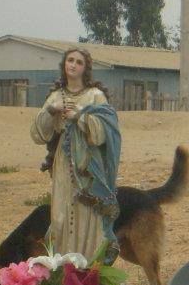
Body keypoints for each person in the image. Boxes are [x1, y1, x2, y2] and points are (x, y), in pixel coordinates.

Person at [30, 47, 121, 262]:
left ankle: (89, 267)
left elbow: (106, 131)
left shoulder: (95, 96)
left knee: (89, 215)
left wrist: (79, 116)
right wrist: (52, 110)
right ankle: (64, 268)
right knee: (61, 215)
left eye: (79, 62)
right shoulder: (55, 97)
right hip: (64, 162)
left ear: (85, 68)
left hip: (89, 164)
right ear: (64, 64)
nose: (73, 65)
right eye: (70, 60)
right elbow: (38, 134)